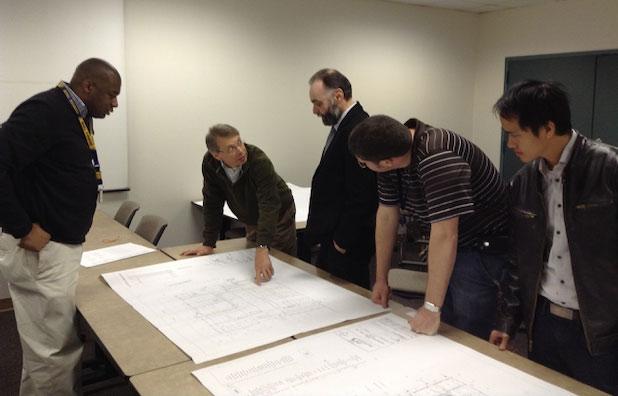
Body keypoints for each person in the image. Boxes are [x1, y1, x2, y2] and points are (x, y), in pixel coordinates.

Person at [0, 58, 121, 395]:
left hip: (57, 248)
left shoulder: (75, 113)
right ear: (88, 87)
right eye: (111, 95)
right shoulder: (46, 111)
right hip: (41, 249)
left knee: (45, 348)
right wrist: (23, 227)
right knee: (54, 352)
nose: (115, 103)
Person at [490, 80, 618, 394]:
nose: (510, 144)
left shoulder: (610, 168)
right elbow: (518, 258)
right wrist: (508, 321)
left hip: (601, 328)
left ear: (547, 128)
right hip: (543, 322)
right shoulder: (523, 181)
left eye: (515, 134)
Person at [348, 115, 512, 340]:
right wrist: (381, 279)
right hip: (455, 242)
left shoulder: (437, 156)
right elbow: (387, 215)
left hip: (481, 248)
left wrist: (431, 307)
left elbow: (446, 235)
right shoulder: (392, 155)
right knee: (447, 322)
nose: (364, 166)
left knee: (467, 327)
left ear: (386, 162)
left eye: (363, 163)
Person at [182, 124, 296, 285]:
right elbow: (212, 202)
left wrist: (263, 247)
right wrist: (208, 243)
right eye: (231, 148)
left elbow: (269, 204)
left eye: (240, 143)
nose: (241, 150)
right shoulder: (210, 164)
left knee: (279, 263)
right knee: (253, 255)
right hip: (250, 214)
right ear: (216, 155)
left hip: (278, 213)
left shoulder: (258, 160)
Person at [305, 68, 377, 289]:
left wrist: (341, 242)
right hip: (334, 236)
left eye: (318, 103)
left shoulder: (359, 129)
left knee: (350, 300)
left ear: (337, 95)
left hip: (347, 242)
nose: (315, 111)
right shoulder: (343, 126)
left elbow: (363, 194)